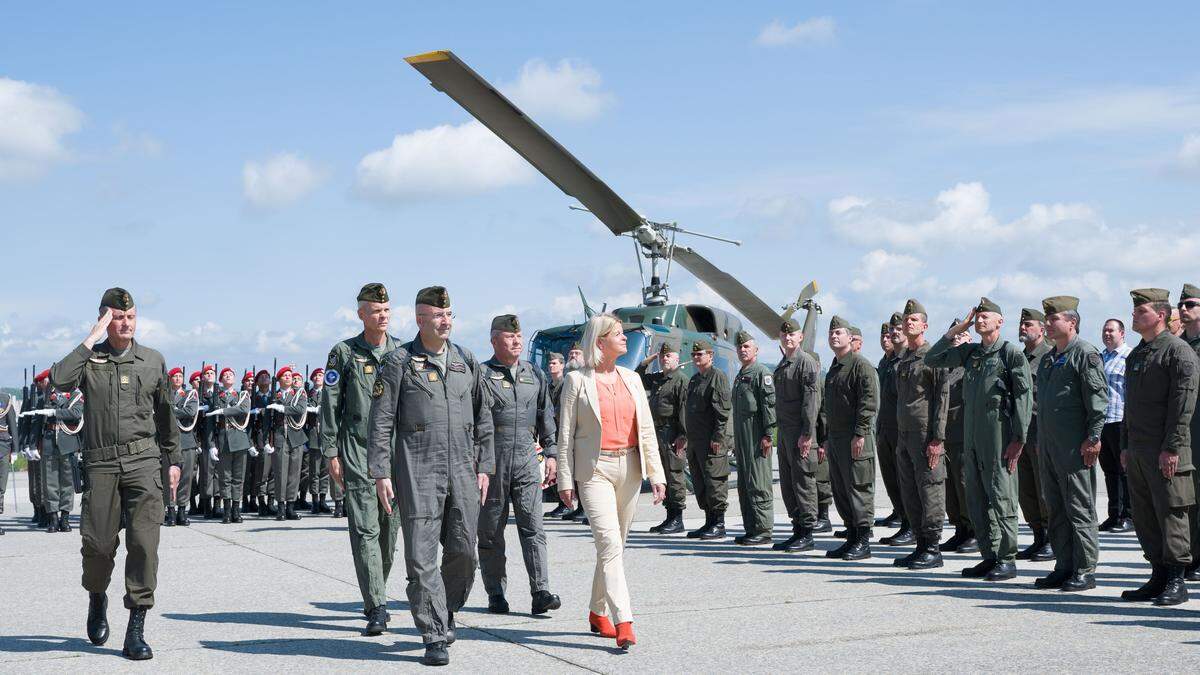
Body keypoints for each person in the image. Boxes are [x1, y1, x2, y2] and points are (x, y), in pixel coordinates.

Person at [50, 287, 181, 660]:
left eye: (131, 317)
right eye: (117, 318)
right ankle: (96, 596)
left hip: (143, 462)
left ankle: (135, 629)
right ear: (106, 319)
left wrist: (172, 461)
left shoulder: (152, 360)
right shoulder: (91, 359)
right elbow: (58, 380)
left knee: (143, 546)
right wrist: (92, 337)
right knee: (99, 546)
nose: (126, 324)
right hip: (101, 464)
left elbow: (166, 415)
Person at [367, 285, 494, 666]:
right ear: (420, 319)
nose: (445, 321)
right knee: (421, 560)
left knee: (464, 553)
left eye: (449, 314)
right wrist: (380, 472)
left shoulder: (465, 361)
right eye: (438, 315)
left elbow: (483, 415)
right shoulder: (398, 363)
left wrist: (485, 465)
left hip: (463, 472)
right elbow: (381, 421)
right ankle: (434, 633)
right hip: (417, 470)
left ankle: (446, 606)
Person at [557, 313, 666, 650]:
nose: (624, 339)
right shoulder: (576, 381)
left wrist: (657, 473)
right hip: (595, 471)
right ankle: (624, 620)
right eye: (618, 334)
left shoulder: (632, 379)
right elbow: (565, 436)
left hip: (630, 467)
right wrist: (565, 478)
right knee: (609, 544)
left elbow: (646, 430)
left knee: (614, 547)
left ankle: (596, 611)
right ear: (600, 342)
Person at [925, 297, 1033, 582]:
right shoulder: (970, 353)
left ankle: (1007, 558)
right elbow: (932, 358)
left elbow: (1024, 396)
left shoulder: (1010, 353)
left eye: (987, 316)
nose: (981, 319)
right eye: (978, 316)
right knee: (976, 499)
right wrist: (954, 332)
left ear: (1000, 321)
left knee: (1002, 497)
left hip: (999, 436)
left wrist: (1019, 438)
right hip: (972, 437)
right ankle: (989, 555)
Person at [320, 282, 403, 635]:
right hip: (357, 450)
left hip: (397, 454)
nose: (381, 316)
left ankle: (376, 591)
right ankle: (377, 606)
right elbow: (330, 404)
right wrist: (330, 451)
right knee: (365, 529)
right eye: (375, 311)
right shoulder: (344, 353)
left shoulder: (402, 352)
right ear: (361, 314)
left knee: (389, 531)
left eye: (386, 310)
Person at [477, 314, 561, 616]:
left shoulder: (533, 373)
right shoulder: (481, 375)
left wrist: (551, 453)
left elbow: (545, 416)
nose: (517, 341)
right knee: (490, 532)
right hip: (492, 459)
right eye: (509, 337)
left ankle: (540, 591)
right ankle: (496, 592)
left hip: (526, 456)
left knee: (533, 527)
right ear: (494, 340)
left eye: (519, 336)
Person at [1120, 288, 1197, 606]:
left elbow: (1183, 405)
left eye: (1142, 311)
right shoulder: (1138, 354)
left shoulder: (1178, 352)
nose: (1135, 315)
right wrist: (1125, 445)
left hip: (1166, 449)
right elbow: (1130, 405)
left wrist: (1173, 447)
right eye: (1135, 311)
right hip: (1138, 449)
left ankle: (1177, 580)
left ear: (1161, 315)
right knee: (1146, 514)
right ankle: (1157, 575)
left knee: (1171, 513)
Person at [1031, 296, 1108, 592]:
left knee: (1079, 507)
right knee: (1056, 508)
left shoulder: (1084, 354)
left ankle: (1085, 569)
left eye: (1054, 319)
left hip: (1075, 447)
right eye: (1047, 319)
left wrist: (1093, 438)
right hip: (1050, 446)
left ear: (1071, 322)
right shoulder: (1051, 357)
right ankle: (1064, 565)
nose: (1048, 324)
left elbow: (1098, 402)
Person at [891, 299, 949, 569]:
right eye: (906, 320)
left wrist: (937, 438)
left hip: (926, 435)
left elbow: (942, 398)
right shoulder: (904, 359)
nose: (908, 323)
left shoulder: (933, 356)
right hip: (905, 435)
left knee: (930, 490)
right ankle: (920, 545)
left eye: (913, 320)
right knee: (910, 491)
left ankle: (933, 548)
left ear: (924, 325)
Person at [821, 316, 879, 560]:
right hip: (835, 438)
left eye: (839, 333)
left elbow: (868, 403)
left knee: (858, 487)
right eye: (831, 333)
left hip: (856, 438)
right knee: (841, 489)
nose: (834, 336)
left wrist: (860, 433)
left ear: (850, 338)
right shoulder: (834, 368)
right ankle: (851, 535)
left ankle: (863, 541)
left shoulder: (860, 366)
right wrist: (825, 437)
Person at [773, 317, 821, 551]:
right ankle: (797, 529)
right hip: (784, 432)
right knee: (788, 484)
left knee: (803, 482)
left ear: (800, 337)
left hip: (800, 433)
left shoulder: (806, 363)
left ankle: (808, 532)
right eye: (784, 335)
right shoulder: (783, 364)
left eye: (792, 334)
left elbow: (811, 402)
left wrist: (807, 433)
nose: (788, 337)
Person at [635, 343, 688, 534]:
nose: (665, 359)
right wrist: (644, 362)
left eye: (669, 356)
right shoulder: (659, 379)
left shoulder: (680, 380)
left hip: (672, 433)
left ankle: (677, 518)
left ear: (677, 359)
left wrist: (683, 436)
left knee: (674, 475)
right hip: (658, 433)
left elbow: (684, 410)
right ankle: (669, 516)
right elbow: (637, 378)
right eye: (662, 357)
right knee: (662, 475)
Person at [730, 330, 777, 545]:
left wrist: (768, 434)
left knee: (759, 482)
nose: (742, 350)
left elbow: (769, 406)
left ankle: (764, 529)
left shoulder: (761, 373)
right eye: (740, 347)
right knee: (745, 483)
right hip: (742, 438)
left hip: (757, 435)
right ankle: (751, 528)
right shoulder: (741, 375)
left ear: (756, 350)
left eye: (747, 346)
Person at [684, 340, 733, 540]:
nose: (697, 358)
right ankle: (708, 521)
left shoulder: (717, 377)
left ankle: (719, 523)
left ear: (710, 356)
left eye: (700, 354)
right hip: (696, 441)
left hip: (711, 440)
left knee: (714, 481)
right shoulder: (695, 380)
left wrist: (718, 437)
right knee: (700, 482)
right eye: (694, 355)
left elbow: (722, 412)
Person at [1017, 307, 1054, 562]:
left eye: (1028, 324)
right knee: (1026, 490)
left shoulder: (1049, 356)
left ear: (1041, 328)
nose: (1023, 328)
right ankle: (1038, 536)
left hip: (1041, 431)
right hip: (1021, 433)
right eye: (1021, 325)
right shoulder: (1020, 358)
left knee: (1044, 490)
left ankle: (1052, 539)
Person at [940, 321, 979, 554]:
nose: (956, 340)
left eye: (961, 335)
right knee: (950, 487)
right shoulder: (945, 367)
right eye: (954, 336)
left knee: (965, 485)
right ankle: (959, 529)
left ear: (969, 340)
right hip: (945, 436)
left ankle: (974, 530)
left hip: (963, 434)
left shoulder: (971, 366)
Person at [1098, 318, 1134, 533]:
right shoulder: (1100, 358)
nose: (1107, 334)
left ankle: (1128, 516)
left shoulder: (1128, 356)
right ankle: (1114, 515)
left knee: (1125, 471)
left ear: (1122, 333)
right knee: (1110, 471)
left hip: (1121, 420)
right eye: (1104, 330)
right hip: (1102, 422)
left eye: (1111, 330)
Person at [876, 313, 909, 537]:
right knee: (891, 478)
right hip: (885, 429)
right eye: (890, 331)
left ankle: (910, 524)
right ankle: (901, 514)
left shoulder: (908, 359)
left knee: (905, 480)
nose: (892, 335)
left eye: (897, 329)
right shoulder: (886, 362)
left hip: (902, 430)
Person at [206, 367, 252, 524]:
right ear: (221, 380)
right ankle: (226, 511)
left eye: (230, 374)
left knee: (238, 478)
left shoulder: (242, 395)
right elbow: (210, 424)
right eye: (225, 375)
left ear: (235, 378)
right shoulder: (215, 398)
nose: (228, 376)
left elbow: (243, 409)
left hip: (239, 439)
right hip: (223, 441)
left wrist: (223, 411)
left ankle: (236, 510)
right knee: (225, 478)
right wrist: (211, 444)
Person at [269, 365, 308, 521]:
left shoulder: (300, 393)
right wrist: (266, 440)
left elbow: (299, 409)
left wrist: (282, 408)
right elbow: (268, 420)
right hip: (280, 437)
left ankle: (291, 507)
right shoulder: (275, 395)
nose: (288, 377)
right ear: (279, 380)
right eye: (284, 375)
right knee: (280, 474)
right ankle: (281, 507)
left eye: (290, 375)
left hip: (296, 436)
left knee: (294, 473)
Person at [1180, 284, 1200, 581]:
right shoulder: (1177, 345)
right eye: (1181, 304)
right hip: (1186, 432)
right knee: (1189, 498)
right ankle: (1193, 556)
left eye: (1191, 304)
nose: (1184, 309)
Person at [165, 367, 199, 526]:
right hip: (170, 442)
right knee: (170, 479)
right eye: (175, 376)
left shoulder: (190, 394)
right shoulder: (165, 394)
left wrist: (171, 410)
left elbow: (190, 412)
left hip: (186, 441)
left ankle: (182, 511)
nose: (178, 379)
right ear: (170, 379)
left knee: (186, 478)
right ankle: (170, 511)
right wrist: (178, 411)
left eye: (180, 376)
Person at [544, 352, 572, 518]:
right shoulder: (549, 387)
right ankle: (563, 503)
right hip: (552, 432)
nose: (551, 366)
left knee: (565, 469)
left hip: (563, 431)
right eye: (550, 363)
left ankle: (568, 504)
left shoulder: (566, 384)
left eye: (555, 363)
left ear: (562, 365)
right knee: (557, 469)